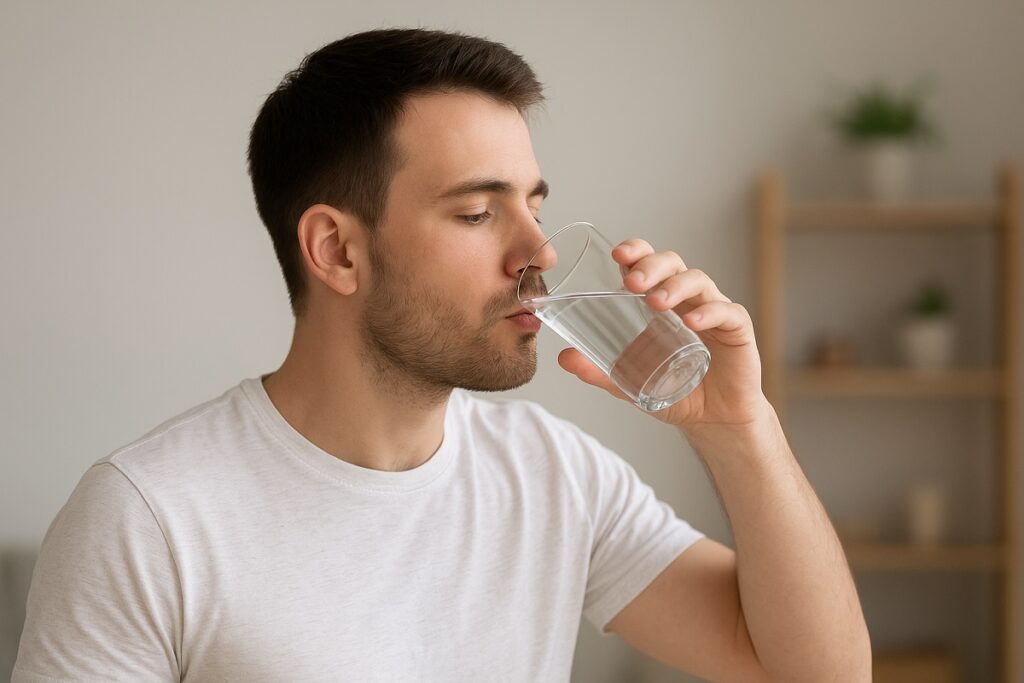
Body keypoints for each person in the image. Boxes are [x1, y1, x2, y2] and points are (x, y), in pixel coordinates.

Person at [13, 28, 870, 682]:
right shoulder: (148, 517)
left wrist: (740, 429)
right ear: (337, 251)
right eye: (476, 212)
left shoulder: (555, 475)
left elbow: (817, 672)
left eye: (535, 205)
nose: (537, 252)